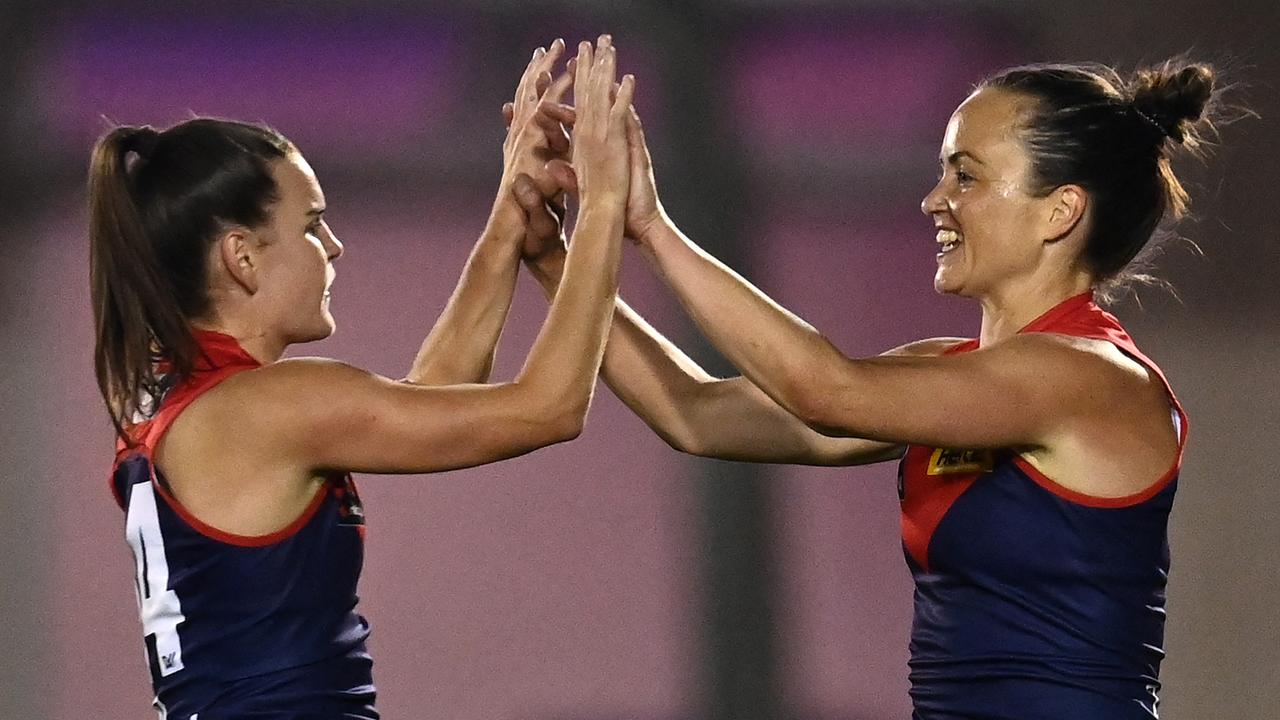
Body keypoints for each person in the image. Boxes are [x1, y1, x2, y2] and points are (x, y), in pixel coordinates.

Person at [510, 59, 1218, 718]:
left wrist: (646, 225)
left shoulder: (1088, 376)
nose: (934, 199)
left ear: (1059, 210)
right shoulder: (953, 373)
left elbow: (825, 388)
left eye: (966, 177)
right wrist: (553, 259)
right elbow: (695, 414)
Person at [90, 38, 634, 719]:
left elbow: (427, 404)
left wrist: (507, 223)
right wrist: (607, 205)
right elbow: (548, 408)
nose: (335, 246)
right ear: (243, 258)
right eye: (313, 226)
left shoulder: (183, 397)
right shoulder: (269, 406)